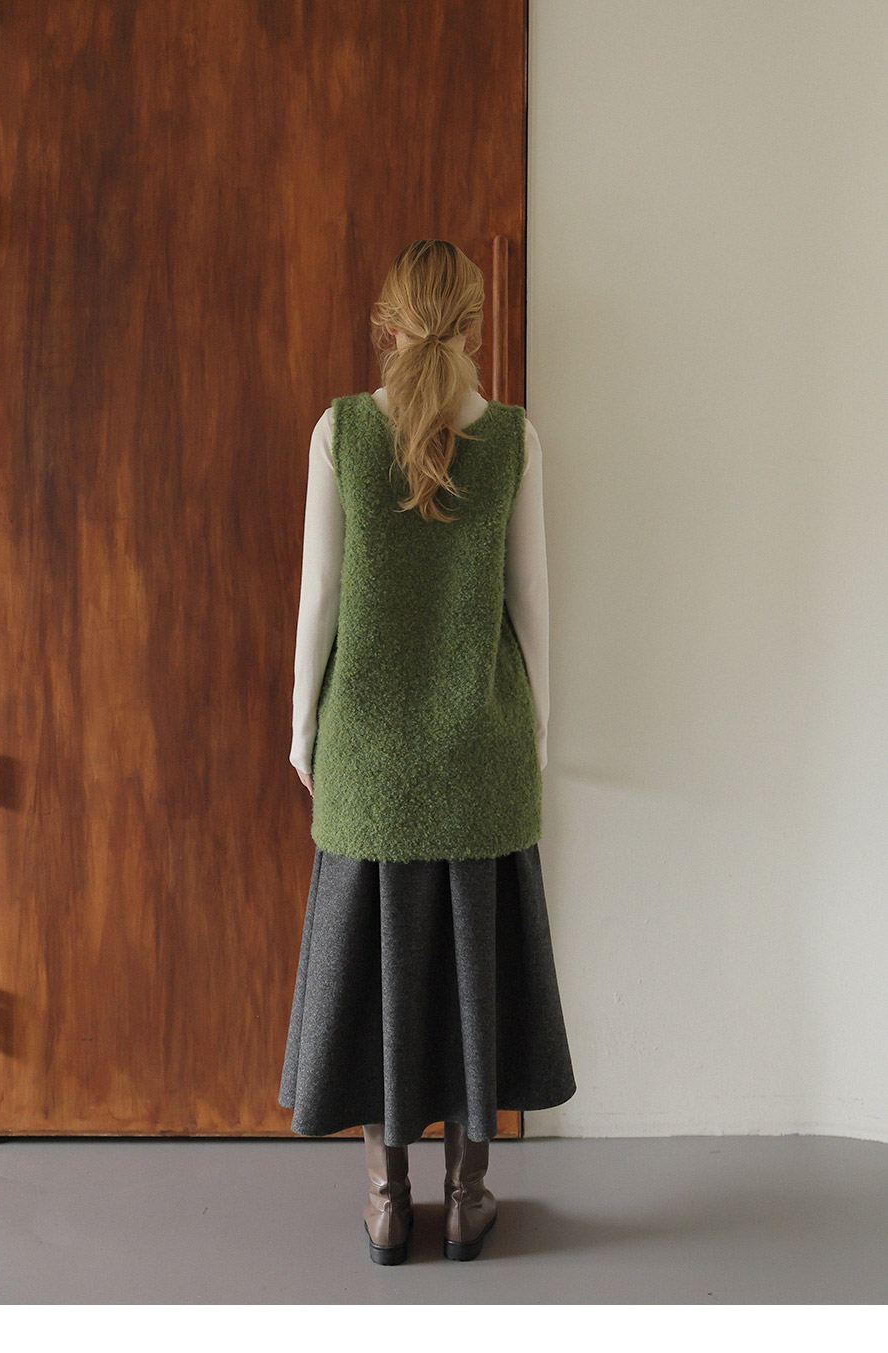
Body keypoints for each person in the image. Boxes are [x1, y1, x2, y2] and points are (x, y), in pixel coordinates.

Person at [278, 239, 576, 1266]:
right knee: (472, 976)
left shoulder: (340, 432)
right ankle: (470, 1195)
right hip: (478, 750)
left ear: (387, 324)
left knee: (374, 977)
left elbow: (320, 596)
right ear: (476, 326)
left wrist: (302, 729)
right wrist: (536, 730)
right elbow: (531, 600)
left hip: (368, 755)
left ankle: (384, 1202)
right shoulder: (516, 439)